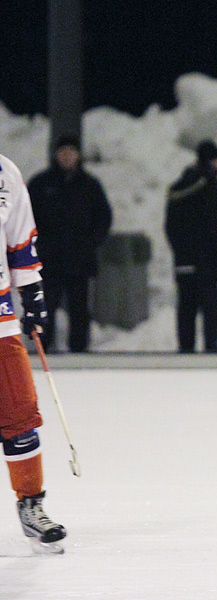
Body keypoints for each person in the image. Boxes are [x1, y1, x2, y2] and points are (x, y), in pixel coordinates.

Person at [0, 152, 67, 551]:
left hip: (0, 317)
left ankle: (31, 506)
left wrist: (33, 292)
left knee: (21, 413)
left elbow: (20, 241)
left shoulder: (5, 173)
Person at [27, 135, 112, 353]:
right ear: (55, 154)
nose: (67, 157)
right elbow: (25, 217)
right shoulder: (40, 184)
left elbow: (103, 217)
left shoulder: (90, 185)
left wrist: (92, 242)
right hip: (49, 259)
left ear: (78, 155)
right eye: (63, 152)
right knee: (46, 306)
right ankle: (44, 349)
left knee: (79, 308)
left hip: (79, 260)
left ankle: (79, 350)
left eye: (71, 152)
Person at [164, 140, 217, 353]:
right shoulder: (212, 186)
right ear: (213, 161)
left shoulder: (178, 187)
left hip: (184, 260)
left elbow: (169, 226)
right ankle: (210, 352)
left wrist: (179, 251)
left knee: (186, 306)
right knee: (210, 309)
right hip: (208, 260)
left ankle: (185, 350)